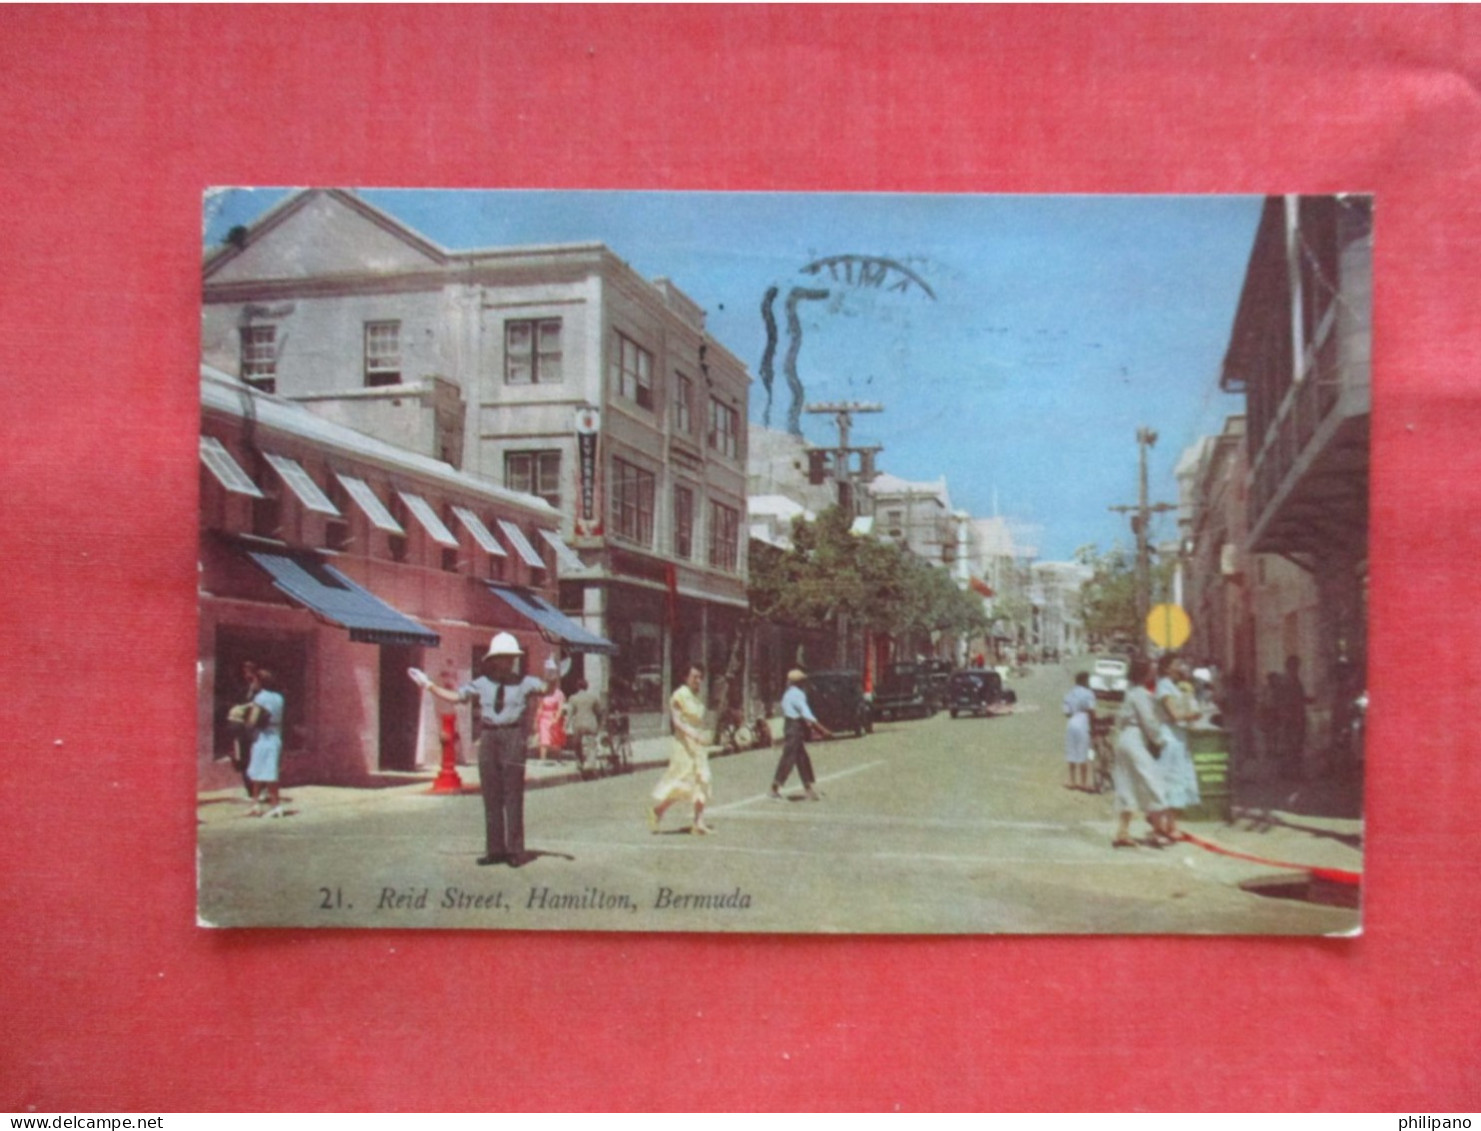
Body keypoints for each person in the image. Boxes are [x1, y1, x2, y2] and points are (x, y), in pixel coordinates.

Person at [415, 633, 546, 866]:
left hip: (513, 735)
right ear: (494, 660)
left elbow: (546, 688)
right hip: (489, 736)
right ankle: (495, 850)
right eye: (503, 658)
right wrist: (429, 686)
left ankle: (515, 851)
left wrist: (553, 673)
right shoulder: (482, 683)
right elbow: (457, 697)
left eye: (511, 658)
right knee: (491, 795)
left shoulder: (524, 682)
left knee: (513, 795)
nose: (508, 662)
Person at [1110, 656, 1171, 848]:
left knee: (1126, 784)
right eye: (1151, 669)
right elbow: (1149, 722)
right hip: (1136, 739)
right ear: (1144, 673)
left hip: (1125, 739)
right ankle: (1157, 830)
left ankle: (1123, 831)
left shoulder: (1130, 692)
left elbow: (1120, 719)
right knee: (1154, 783)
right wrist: (1159, 740)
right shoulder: (1141, 694)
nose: (1154, 672)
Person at [649, 665, 714, 835]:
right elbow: (677, 722)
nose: (697, 680)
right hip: (683, 746)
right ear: (686, 677)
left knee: (702, 779)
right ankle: (658, 810)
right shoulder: (679, 695)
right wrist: (694, 735)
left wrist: (703, 735)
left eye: (700, 677)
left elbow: (699, 721)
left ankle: (698, 822)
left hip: (698, 747)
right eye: (694, 676)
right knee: (683, 783)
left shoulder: (697, 697)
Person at [1154, 653, 1202, 835]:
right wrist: (1192, 715)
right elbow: (1174, 715)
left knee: (1179, 780)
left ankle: (1171, 824)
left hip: (1180, 738)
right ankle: (1161, 823)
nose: (1181, 667)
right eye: (1177, 664)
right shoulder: (1164, 687)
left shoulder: (1176, 687)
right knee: (1170, 780)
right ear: (1167, 668)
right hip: (1170, 739)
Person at [770, 668, 833, 801]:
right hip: (795, 728)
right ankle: (774, 788)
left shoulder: (787, 694)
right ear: (799, 682)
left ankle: (808, 789)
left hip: (790, 726)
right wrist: (822, 730)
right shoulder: (797, 694)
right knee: (788, 758)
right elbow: (807, 714)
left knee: (802, 759)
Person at [245, 668, 287, 818]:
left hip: (262, 737)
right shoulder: (279, 698)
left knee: (264, 772)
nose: (253, 683)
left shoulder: (260, 698)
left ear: (260, 682)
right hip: (275, 736)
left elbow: (252, 721)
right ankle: (256, 804)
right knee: (265, 770)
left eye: (255, 680)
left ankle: (275, 806)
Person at [1061, 671, 1097, 791]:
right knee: (1083, 753)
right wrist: (1094, 723)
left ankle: (1072, 780)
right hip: (1083, 721)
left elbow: (1066, 712)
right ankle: (1083, 781)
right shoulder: (1088, 693)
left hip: (1071, 722)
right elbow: (1091, 710)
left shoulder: (1069, 693)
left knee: (1071, 751)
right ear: (1084, 681)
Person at [563, 678, 604, 776]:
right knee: (591, 745)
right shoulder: (593, 697)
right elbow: (599, 712)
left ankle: (579, 763)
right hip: (590, 724)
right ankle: (590, 764)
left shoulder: (573, 698)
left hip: (578, 725)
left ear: (577, 687)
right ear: (587, 687)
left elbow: (570, 713)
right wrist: (599, 724)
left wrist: (566, 725)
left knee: (576, 744)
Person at [535, 659, 567, 763]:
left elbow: (560, 708)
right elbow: (540, 707)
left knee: (556, 739)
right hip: (544, 718)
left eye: (552, 683)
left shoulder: (559, 694)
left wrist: (556, 719)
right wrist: (536, 720)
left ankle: (558, 758)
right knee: (544, 738)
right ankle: (543, 759)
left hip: (554, 717)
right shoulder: (544, 693)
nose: (550, 685)